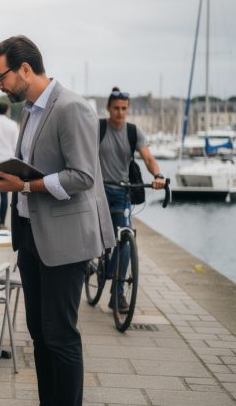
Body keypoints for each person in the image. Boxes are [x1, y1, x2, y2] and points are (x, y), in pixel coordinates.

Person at [0, 36, 115, 406]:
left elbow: (83, 176)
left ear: (25, 69)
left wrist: (25, 185)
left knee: (60, 335)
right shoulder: (29, 110)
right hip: (31, 235)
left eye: (1, 77)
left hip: (65, 240)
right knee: (39, 334)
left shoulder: (71, 108)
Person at [98, 87, 165, 312]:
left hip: (122, 192)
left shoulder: (134, 132)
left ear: (128, 109)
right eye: (116, 108)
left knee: (125, 238)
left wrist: (158, 175)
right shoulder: (98, 128)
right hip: (99, 192)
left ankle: (116, 294)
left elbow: (148, 158)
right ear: (108, 108)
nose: (120, 112)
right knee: (97, 236)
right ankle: (96, 263)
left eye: (123, 108)